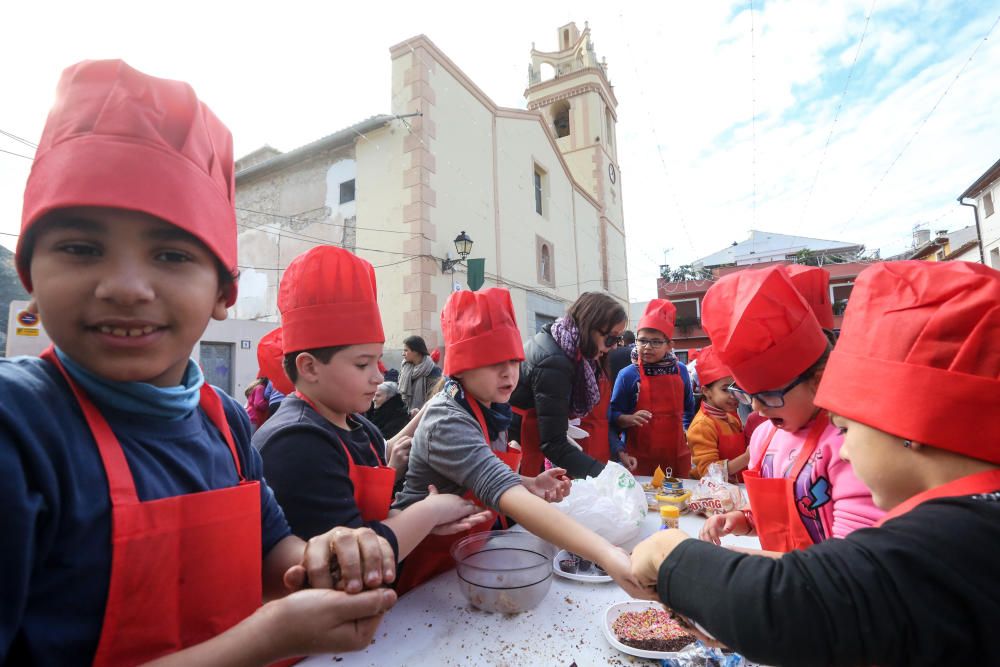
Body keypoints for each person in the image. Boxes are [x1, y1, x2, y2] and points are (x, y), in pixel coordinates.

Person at [1, 60, 397, 665]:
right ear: (29, 271)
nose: (127, 287)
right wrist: (269, 639)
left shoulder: (225, 423)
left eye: (170, 254)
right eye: (81, 248)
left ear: (222, 294)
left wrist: (328, 555)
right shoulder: (20, 429)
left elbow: (274, 549)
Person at [630, 260, 1000, 667]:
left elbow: (821, 601)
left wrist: (672, 555)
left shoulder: (952, 541)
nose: (843, 449)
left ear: (908, 426)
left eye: (845, 427)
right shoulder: (970, 517)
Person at [392, 288, 643, 596]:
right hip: (421, 571)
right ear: (461, 367)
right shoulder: (448, 421)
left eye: (513, 361)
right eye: (492, 362)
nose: (508, 373)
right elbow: (495, 484)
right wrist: (605, 553)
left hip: (461, 562)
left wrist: (528, 482)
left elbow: (489, 476)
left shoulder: (491, 409)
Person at [253, 246, 489, 569]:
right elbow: (349, 557)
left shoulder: (358, 425)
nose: (379, 376)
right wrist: (428, 512)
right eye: (363, 364)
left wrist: (422, 523)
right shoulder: (296, 442)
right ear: (308, 368)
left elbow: (374, 516)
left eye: (378, 361)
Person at [698, 266, 881, 551]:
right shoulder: (764, 438)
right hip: (782, 583)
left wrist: (742, 566)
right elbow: (769, 519)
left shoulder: (847, 445)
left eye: (769, 395)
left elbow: (852, 561)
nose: (757, 409)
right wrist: (741, 519)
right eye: (749, 395)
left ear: (819, 380)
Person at [510, 292, 627, 477]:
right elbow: (553, 444)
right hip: (521, 441)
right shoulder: (554, 360)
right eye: (611, 338)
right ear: (590, 326)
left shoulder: (563, 344)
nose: (614, 347)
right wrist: (606, 477)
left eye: (618, 340)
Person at [609, 299, 694, 477]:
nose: (648, 347)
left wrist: (688, 435)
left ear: (669, 345)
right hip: (639, 459)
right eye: (643, 341)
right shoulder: (628, 375)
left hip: (676, 456)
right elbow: (612, 415)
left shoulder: (681, 371)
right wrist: (628, 418)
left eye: (656, 342)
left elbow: (689, 409)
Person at [686, 345, 747, 480]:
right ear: (706, 391)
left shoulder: (731, 417)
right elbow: (709, 473)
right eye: (725, 390)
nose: (733, 395)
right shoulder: (702, 426)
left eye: (736, 388)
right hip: (713, 497)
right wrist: (747, 457)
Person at [398, 335, 442, 416]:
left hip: (425, 415)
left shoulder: (432, 370)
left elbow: (435, 397)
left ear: (416, 351)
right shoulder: (405, 367)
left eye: (406, 350)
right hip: (406, 414)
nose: (403, 354)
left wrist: (420, 413)